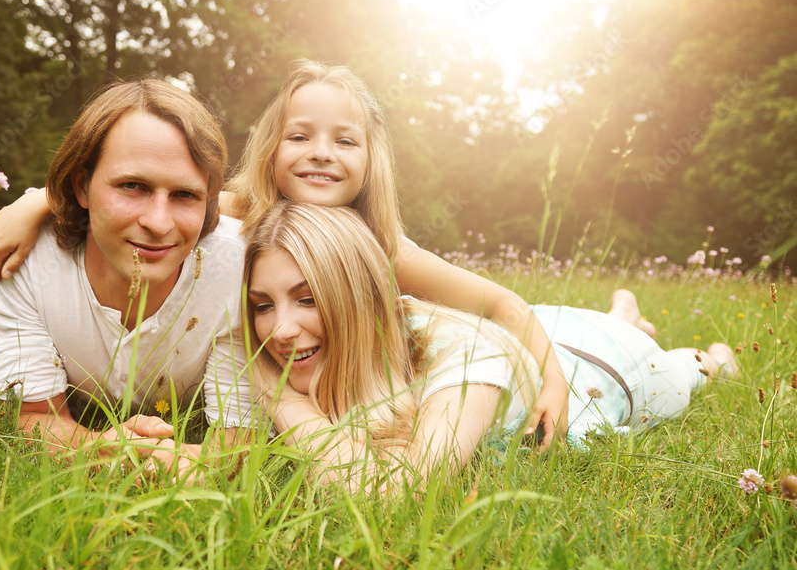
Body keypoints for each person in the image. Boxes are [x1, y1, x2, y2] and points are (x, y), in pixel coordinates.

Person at [0, 60, 572, 450]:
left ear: (371, 159)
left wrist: (556, 383)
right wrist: (34, 203)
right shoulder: (240, 212)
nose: (321, 155)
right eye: (300, 136)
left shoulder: (385, 247)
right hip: (318, 388)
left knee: (573, 333)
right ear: (271, 147)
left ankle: (619, 322)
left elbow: (501, 303)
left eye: (345, 140)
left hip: (409, 362)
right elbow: (128, 190)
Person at [244, 201, 737, 489]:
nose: (280, 330)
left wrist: (280, 395)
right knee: (603, 326)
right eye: (262, 305)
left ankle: (684, 347)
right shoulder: (330, 347)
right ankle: (622, 312)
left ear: (359, 295)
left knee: (680, 373)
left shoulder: (463, 355)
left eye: (307, 299)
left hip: (602, 368)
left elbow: (396, 490)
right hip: (539, 336)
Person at [0, 79, 256, 474]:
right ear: (82, 187)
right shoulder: (26, 260)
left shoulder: (241, 269)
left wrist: (188, 461)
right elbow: (37, 418)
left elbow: (236, 440)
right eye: (132, 186)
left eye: (184, 195)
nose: (159, 224)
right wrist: (101, 447)